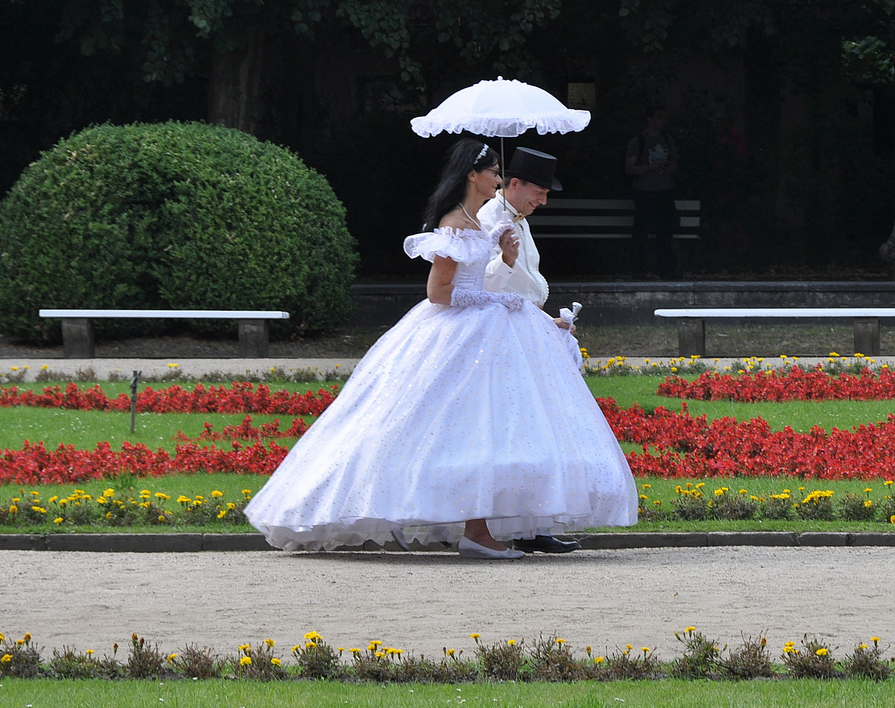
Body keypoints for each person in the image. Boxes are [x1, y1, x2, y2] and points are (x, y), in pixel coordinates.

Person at [243, 139, 637, 560]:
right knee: (434, 423)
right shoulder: (455, 223)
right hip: (461, 330)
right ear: (473, 175)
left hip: (487, 326)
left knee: (481, 427)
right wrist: (495, 297)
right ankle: (461, 527)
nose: (498, 180)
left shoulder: (478, 220)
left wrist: (503, 259)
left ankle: (481, 530)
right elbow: (439, 293)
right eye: (493, 173)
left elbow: (482, 279)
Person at [479, 146, 582, 555]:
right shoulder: (491, 218)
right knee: (516, 428)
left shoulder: (518, 219)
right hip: (503, 334)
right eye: (538, 192)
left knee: (538, 429)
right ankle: (521, 525)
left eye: (546, 194)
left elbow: (526, 285)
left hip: (525, 327)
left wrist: (546, 320)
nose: (542, 201)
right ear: (514, 184)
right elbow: (486, 284)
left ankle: (532, 524)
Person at [624, 106, 680, 277]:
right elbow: (629, 168)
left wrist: (668, 167)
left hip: (665, 190)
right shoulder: (639, 141)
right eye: (659, 117)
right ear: (650, 119)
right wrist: (649, 167)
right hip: (645, 192)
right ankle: (638, 271)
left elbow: (675, 165)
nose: (662, 121)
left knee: (665, 232)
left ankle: (665, 270)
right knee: (642, 233)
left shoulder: (667, 139)